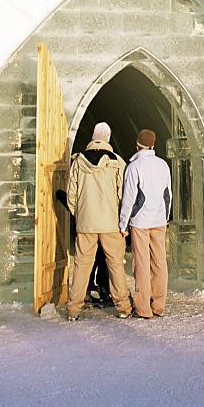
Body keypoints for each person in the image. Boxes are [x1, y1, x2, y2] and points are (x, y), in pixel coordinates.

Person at [65, 122, 132, 321]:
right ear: (109, 137)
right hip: (110, 223)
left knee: (81, 265)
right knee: (115, 265)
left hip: (86, 222)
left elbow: (71, 194)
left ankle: (73, 309)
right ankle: (123, 307)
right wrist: (120, 218)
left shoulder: (78, 161)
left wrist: (81, 215)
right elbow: (123, 194)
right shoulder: (117, 162)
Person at [119, 128, 172, 318]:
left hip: (140, 221)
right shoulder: (163, 165)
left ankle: (143, 308)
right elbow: (168, 194)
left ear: (137, 144)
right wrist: (165, 217)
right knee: (159, 261)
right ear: (153, 144)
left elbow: (129, 198)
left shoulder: (134, 167)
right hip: (159, 219)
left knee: (141, 263)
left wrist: (123, 224)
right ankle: (159, 304)